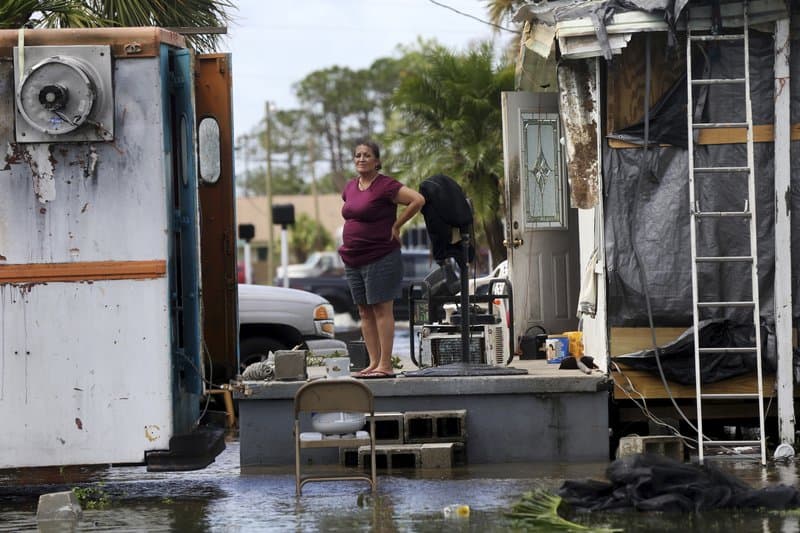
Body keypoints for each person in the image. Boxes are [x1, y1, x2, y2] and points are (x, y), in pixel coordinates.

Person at [339, 139, 425, 378]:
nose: (361, 159)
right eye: (357, 155)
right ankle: (373, 363)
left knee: (380, 309)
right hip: (353, 256)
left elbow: (417, 199)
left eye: (367, 155)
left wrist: (397, 225)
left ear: (377, 161)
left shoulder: (386, 185)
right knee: (364, 311)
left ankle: (385, 365)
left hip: (381, 255)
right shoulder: (350, 187)